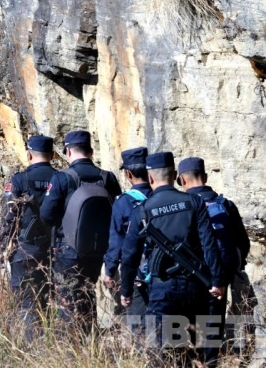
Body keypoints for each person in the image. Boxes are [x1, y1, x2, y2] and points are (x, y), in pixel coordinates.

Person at [120, 152, 225, 366]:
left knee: (162, 353)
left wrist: (126, 290)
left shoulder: (142, 211)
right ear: (175, 175)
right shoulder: (194, 202)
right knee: (200, 351)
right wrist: (217, 281)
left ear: (150, 178)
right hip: (196, 286)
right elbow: (209, 244)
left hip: (162, 290)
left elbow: (130, 254)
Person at [39, 130, 121, 334]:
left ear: (68, 152)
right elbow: (117, 212)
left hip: (68, 250)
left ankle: (71, 343)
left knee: (67, 297)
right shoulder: (108, 177)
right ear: (91, 151)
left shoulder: (62, 178)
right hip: (98, 250)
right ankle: (89, 338)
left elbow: (47, 215)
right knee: (87, 292)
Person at [177, 156, 250, 364]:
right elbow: (243, 243)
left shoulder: (182, 206)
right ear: (206, 177)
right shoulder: (225, 205)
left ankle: (193, 360)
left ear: (182, 180)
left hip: (189, 278)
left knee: (188, 325)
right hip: (220, 278)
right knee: (213, 325)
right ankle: (211, 362)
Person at [0, 135, 57, 341]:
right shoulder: (62, 179)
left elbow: (8, 217)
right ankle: (49, 342)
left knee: (25, 300)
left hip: (24, 250)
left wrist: (0, 249)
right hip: (54, 251)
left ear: (29, 155)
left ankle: (31, 344)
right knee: (48, 298)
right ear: (53, 155)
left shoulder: (19, 180)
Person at [103, 146, 152, 330]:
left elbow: (116, 241)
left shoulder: (123, 202)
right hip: (165, 274)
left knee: (138, 327)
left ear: (128, 174)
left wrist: (110, 270)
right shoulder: (160, 197)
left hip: (136, 274)